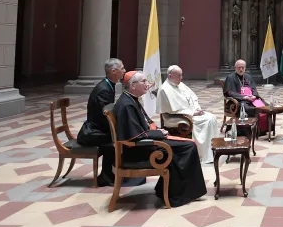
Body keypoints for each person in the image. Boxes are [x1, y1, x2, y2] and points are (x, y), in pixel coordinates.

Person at [114, 71, 207, 207]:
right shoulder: (127, 104)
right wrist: (158, 134)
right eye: (144, 81)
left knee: (188, 145)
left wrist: (157, 131)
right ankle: (178, 195)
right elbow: (134, 136)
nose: (147, 84)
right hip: (138, 151)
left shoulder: (131, 99)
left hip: (145, 144)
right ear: (132, 85)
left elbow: (144, 125)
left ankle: (173, 190)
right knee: (188, 147)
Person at [76, 58, 125, 186]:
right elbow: (104, 116)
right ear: (114, 71)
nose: (124, 71)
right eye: (122, 68)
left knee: (118, 137)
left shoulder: (108, 85)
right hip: (91, 132)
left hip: (98, 128)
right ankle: (106, 177)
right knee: (114, 141)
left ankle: (112, 174)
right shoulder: (104, 89)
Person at [157, 65, 220, 164]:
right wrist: (193, 113)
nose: (181, 78)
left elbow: (192, 98)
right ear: (170, 76)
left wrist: (197, 109)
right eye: (179, 75)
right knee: (206, 121)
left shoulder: (180, 85)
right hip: (175, 118)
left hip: (188, 113)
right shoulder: (165, 89)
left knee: (212, 117)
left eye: (181, 75)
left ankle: (212, 150)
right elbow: (172, 110)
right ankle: (201, 153)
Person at [223, 59, 270, 133]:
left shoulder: (248, 77)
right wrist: (243, 97)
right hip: (239, 101)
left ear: (245, 68)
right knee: (248, 108)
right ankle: (247, 130)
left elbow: (254, 89)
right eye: (239, 67)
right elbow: (229, 92)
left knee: (266, 106)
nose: (241, 69)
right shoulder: (230, 78)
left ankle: (263, 129)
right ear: (235, 68)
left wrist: (254, 95)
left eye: (243, 67)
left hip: (252, 99)